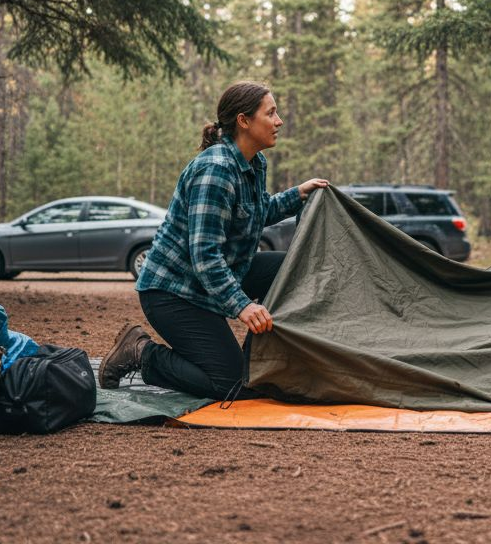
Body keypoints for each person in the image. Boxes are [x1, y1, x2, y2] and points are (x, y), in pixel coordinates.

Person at [98, 81, 328, 400]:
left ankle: (262, 358)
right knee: (230, 384)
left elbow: (256, 211)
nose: (279, 121)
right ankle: (140, 353)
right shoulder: (216, 170)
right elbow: (204, 256)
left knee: (292, 268)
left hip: (216, 276)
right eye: (271, 113)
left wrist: (298, 195)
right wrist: (242, 305)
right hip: (174, 292)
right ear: (244, 121)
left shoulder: (253, 162)